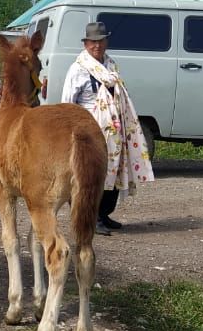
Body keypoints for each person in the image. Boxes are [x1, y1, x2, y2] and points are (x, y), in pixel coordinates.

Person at [60, 21, 154, 235]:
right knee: (94, 175)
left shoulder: (111, 66)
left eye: (101, 41)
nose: (97, 46)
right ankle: (91, 217)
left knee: (113, 171)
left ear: (106, 42)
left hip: (113, 130)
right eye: (93, 42)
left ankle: (104, 213)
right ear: (86, 44)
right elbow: (68, 103)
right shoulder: (78, 69)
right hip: (89, 130)